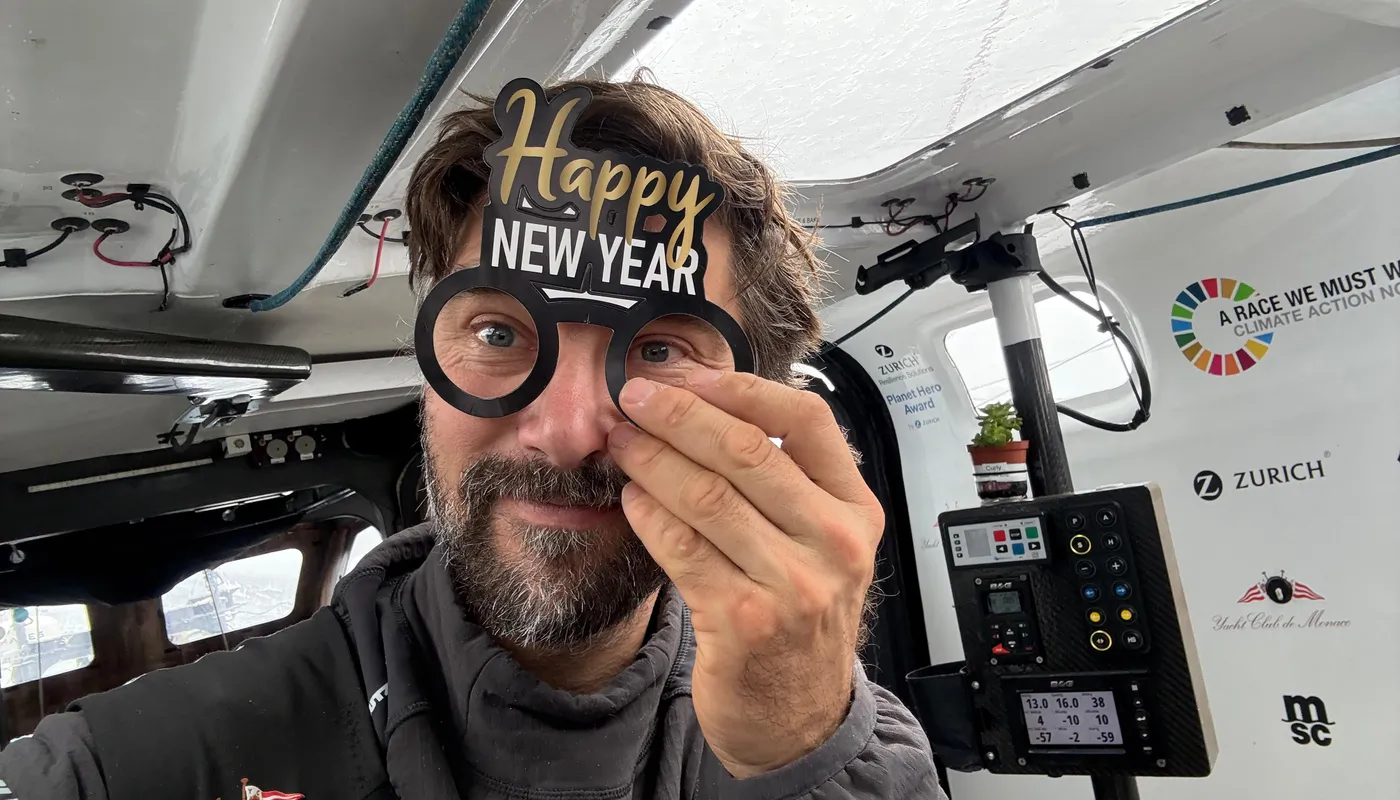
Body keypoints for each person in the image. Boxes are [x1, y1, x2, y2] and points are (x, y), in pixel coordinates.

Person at [0, 77, 941, 799]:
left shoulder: (842, 746)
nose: (566, 434)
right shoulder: (129, 767)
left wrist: (805, 760)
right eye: (499, 334)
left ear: (758, 410)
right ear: (429, 358)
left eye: (656, 351)